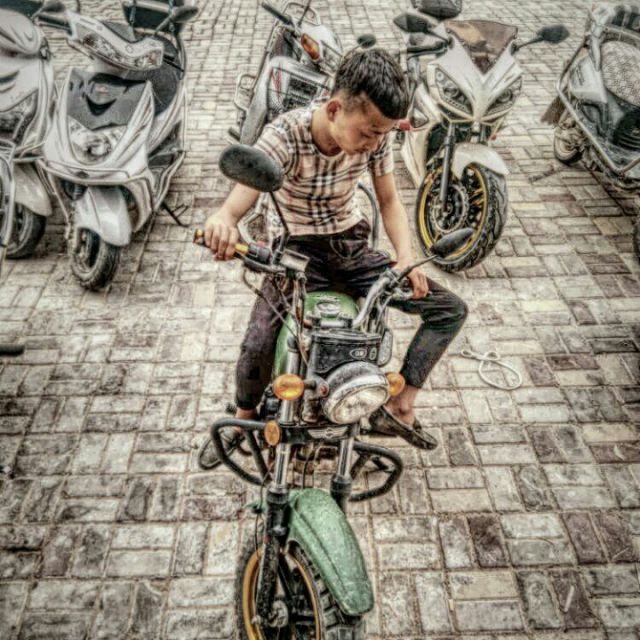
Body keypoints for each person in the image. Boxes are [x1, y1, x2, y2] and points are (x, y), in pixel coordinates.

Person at [203, 48, 467, 466]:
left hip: (351, 247)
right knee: (258, 341)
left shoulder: (376, 137)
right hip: (295, 255)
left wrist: (405, 257)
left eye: (382, 134)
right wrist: (224, 218)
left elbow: (389, 200)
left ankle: (399, 404)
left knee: (449, 310)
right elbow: (240, 197)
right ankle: (243, 420)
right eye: (368, 133)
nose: (374, 143)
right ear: (333, 109)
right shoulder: (286, 134)